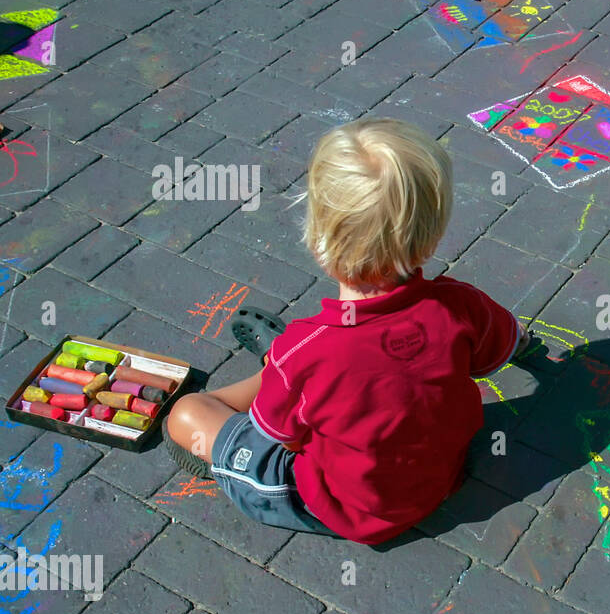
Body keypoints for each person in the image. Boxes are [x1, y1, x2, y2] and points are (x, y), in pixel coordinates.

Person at [164, 119, 530, 544]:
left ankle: (272, 375)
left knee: (187, 412)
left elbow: (283, 439)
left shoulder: (310, 350)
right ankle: (282, 377)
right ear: (429, 240)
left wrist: (294, 372)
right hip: (439, 476)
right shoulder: (460, 305)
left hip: (338, 505)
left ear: (318, 240)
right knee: (312, 372)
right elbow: (508, 342)